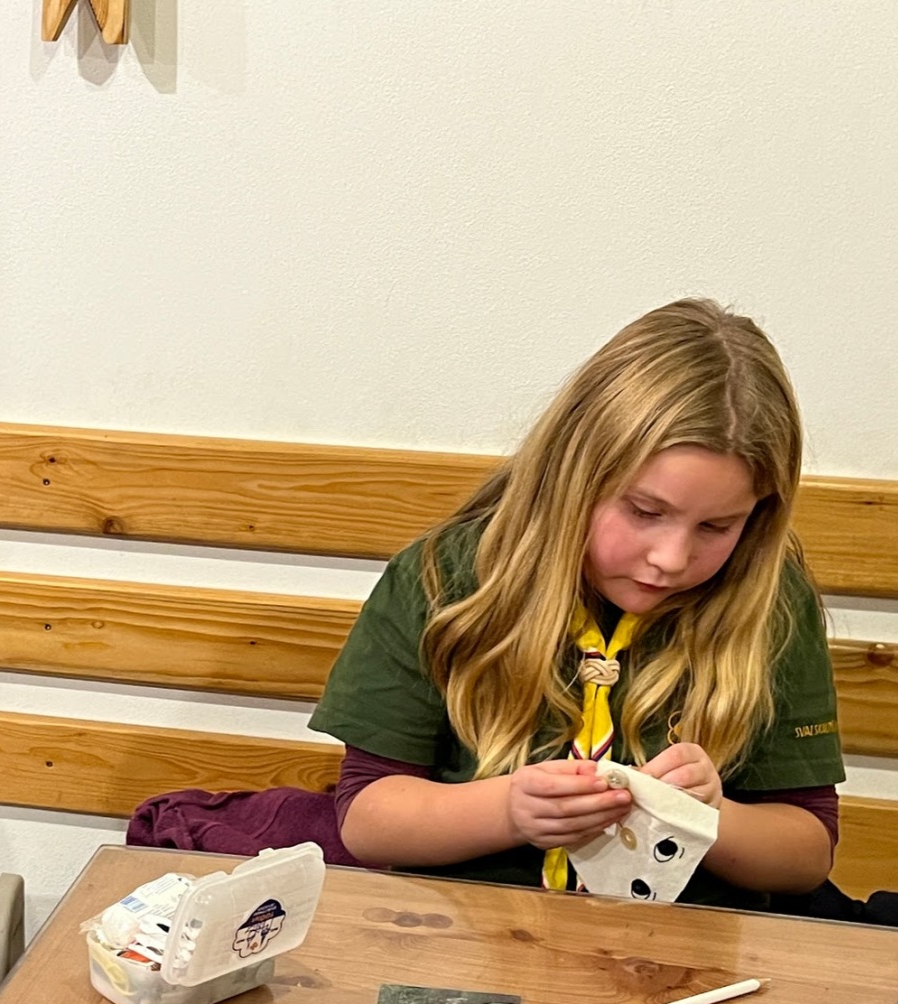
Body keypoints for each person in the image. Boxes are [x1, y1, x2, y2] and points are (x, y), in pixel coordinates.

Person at [309, 298, 841, 908]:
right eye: (644, 511)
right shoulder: (444, 578)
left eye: (717, 527)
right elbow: (368, 820)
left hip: (681, 944)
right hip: (468, 931)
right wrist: (509, 811)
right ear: (571, 475)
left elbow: (806, 855)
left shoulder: (770, 603)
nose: (670, 558)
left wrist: (709, 817)